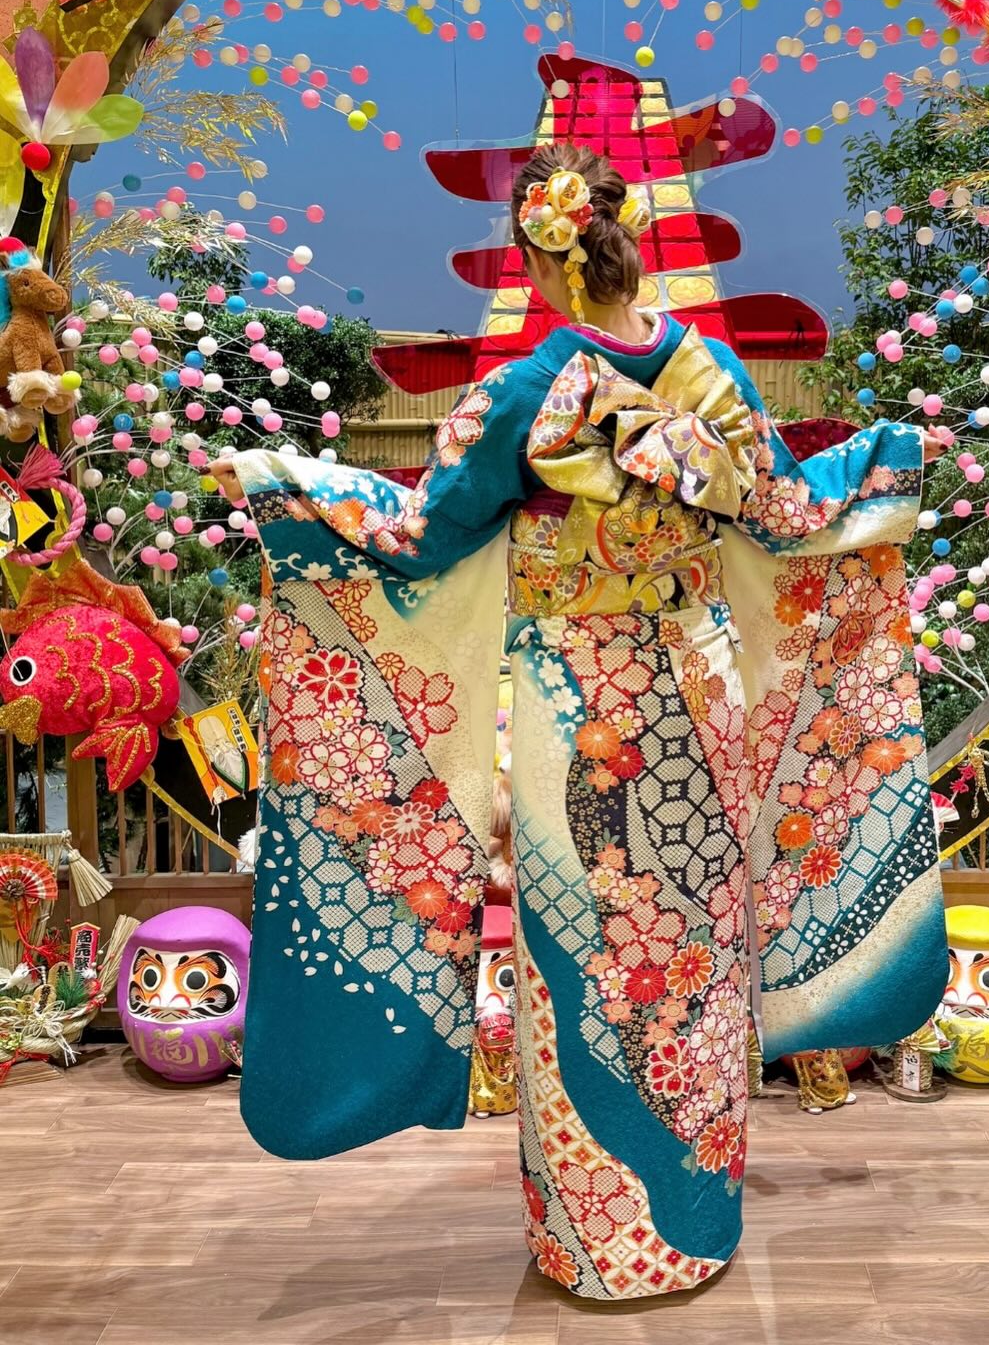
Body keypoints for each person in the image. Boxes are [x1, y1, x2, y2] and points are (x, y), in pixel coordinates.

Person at [210, 143, 947, 1301]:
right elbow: (789, 514)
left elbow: (419, 535)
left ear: (542, 261)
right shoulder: (712, 372)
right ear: (627, 239)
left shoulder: (522, 392)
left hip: (579, 700)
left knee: (586, 962)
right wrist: (889, 460)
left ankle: (592, 1240)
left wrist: (288, 485)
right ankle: (693, 1225)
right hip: (697, 695)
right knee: (697, 964)